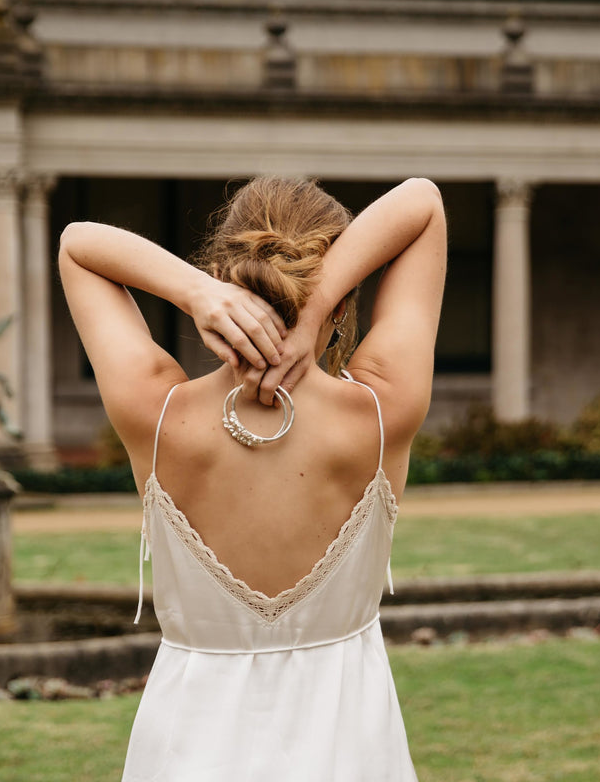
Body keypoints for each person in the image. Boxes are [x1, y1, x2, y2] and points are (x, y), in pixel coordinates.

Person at [59, 176, 447, 781]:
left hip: (187, 752)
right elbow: (422, 202)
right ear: (344, 301)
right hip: (350, 749)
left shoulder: (158, 415)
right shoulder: (380, 412)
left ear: (221, 276)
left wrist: (197, 294)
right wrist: (316, 306)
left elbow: (79, 245)